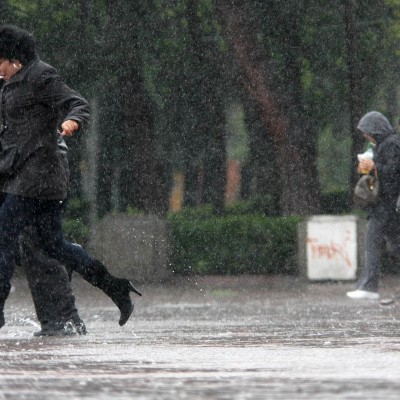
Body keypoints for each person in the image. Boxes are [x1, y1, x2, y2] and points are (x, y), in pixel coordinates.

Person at [0, 24, 141, 330]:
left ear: (14, 58)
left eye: (0, 62)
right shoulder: (13, 82)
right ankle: (114, 286)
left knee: (4, 235)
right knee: (54, 245)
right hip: (22, 174)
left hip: (36, 176)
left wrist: (72, 122)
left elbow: (77, 102)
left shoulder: (41, 76)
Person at [347, 111, 400, 300]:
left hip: (388, 205)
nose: (365, 135)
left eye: (367, 131)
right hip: (386, 206)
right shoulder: (381, 145)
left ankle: (369, 287)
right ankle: (367, 285)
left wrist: (374, 166)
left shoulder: (392, 144)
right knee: (395, 246)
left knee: (372, 241)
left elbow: (393, 174)